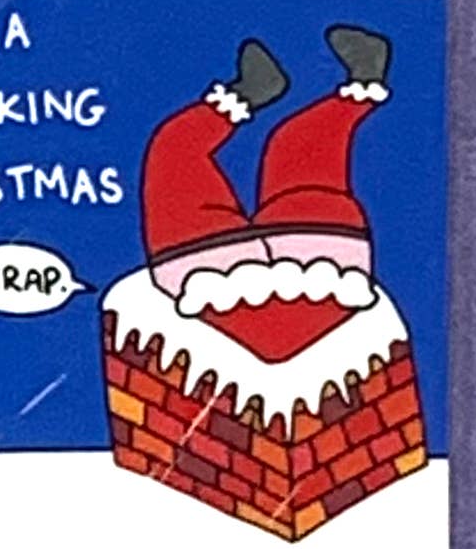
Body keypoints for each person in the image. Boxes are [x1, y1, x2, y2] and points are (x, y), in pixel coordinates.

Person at [138, 26, 392, 365]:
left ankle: (264, 91)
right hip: (307, 277)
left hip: (223, 281)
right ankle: (359, 83)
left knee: (179, 155)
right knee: (293, 150)